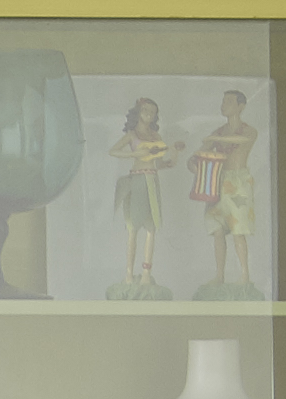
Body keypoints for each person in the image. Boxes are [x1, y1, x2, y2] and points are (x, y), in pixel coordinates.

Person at [188, 88, 262, 298]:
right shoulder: (218, 133)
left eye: (229, 101)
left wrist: (214, 140)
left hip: (237, 183)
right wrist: (195, 164)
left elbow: (242, 141)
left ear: (241, 106)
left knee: (238, 230)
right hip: (216, 183)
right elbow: (197, 154)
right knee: (217, 230)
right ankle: (219, 275)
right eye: (223, 101)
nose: (224, 105)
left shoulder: (248, 131)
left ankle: (244, 275)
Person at [103, 94, 178, 296]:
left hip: (152, 180)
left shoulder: (156, 137)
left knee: (151, 228)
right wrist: (133, 155)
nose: (149, 115)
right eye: (146, 111)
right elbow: (113, 151)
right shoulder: (132, 135)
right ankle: (128, 273)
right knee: (133, 228)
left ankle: (146, 273)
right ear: (139, 113)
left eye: (152, 113)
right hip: (137, 180)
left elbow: (158, 162)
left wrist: (173, 157)